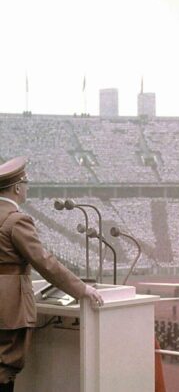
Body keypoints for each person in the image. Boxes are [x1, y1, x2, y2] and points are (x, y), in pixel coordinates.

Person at [0, 157, 104, 392]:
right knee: (5, 369)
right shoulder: (16, 220)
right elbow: (45, 263)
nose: (27, 188)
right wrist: (82, 289)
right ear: (17, 187)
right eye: (25, 184)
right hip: (8, 307)